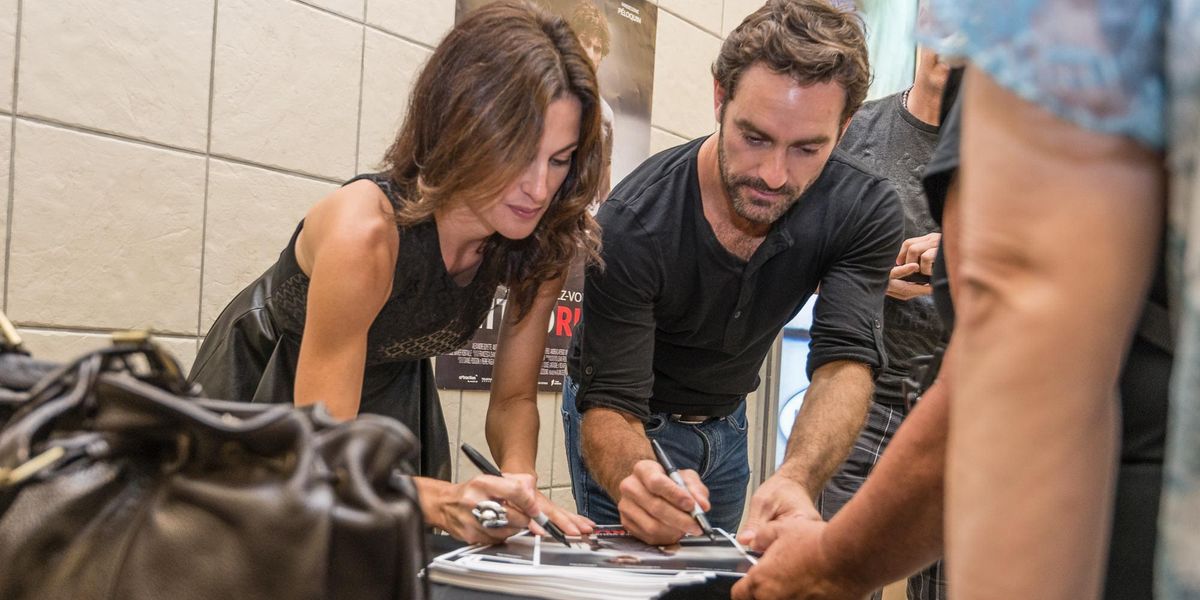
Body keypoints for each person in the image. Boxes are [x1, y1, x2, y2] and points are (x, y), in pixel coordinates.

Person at [189, 0, 602, 545]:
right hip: (271, 397)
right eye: (520, 153)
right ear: (461, 128)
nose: (540, 188)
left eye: (559, 158)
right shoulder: (365, 233)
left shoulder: (542, 237)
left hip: (390, 397)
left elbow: (513, 399)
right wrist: (436, 497)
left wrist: (519, 483)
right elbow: (323, 459)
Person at [562, 0, 903, 545]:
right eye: (755, 137)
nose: (773, 174)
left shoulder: (863, 209)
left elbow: (845, 362)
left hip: (728, 420)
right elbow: (611, 406)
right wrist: (639, 480)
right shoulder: (634, 224)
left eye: (807, 148)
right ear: (720, 96)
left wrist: (796, 479)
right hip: (630, 420)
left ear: (845, 127)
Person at [816, 43, 950, 600]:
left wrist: (959, 256)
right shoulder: (857, 131)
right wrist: (863, 271)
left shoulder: (1014, 152)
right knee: (831, 575)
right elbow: (797, 252)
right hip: (864, 395)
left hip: (960, 405)